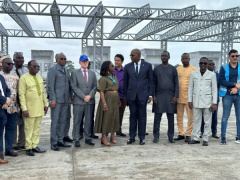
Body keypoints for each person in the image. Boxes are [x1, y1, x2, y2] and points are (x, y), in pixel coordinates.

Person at [19, 60, 48, 156]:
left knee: (36, 128)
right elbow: (21, 94)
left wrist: (45, 104)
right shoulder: (24, 78)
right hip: (29, 109)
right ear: (29, 67)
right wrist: (24, 109)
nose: (37, 68)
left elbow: (43, 92)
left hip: (39, 108)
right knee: (29, 129)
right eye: (35, 66)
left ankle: (35, 145)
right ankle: (28, 147)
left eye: (38, 66)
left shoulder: (39, 77)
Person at [124, 49, 153, 145]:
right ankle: (132, 137)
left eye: (132, 55)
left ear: (138, 56)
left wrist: (150, 94)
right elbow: (125, 83)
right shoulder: (127, 66)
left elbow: (150, 81)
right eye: (130, 55)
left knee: (142, 116)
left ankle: (142, 137)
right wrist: (126, 96)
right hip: (131, 96)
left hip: (143, 95)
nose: (131, 57)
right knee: (132, 116)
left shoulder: (148, 66)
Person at [188, 57, 217, 146]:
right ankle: (196, 138)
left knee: (207, 121)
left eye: (205, 63)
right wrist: (189, 100)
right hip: (196, 101)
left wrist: (214, 102)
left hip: (207, 102)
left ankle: (205, 139)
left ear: (207, 64)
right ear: (199, 64)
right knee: (196, 120)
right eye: (202, 63)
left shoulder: (212, 75)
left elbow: (214, 89)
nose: (203, 65)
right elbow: (190, 87)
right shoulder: (193, 74)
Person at [71, 55, 97, 147]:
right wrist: (83, 96)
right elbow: (74, 86)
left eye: (86, 61)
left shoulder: (92, 74)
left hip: (89, 101)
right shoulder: (75, 73)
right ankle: (76, 138)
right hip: (79, 101)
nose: (85, 62)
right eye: (83, 61)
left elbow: (95, 86)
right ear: (79, 62)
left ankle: (88, 137)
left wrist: (90, 96)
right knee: (77, 120)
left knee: (88, 120)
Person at [47, 53, 72, 151]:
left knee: (63, 121)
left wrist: (70, 96)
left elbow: (69, 85)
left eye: (65, 59)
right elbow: (50, 86)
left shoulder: (66, 70)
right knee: (55, 122)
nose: (64, 61)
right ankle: (54, 142)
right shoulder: (53, 70)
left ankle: (60, 140)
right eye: (61, 59)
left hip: (65, 100)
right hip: (56, 101)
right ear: (56, 59)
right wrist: (52, 99)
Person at [152, 51, 179, 143]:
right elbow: (153, 83)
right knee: (157, 118)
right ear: (161, 57)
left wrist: (175, 96)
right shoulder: (156, 69)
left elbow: (176, 83)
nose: (164, 57)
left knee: (170, 118)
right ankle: (156, 136)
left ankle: (171, 136)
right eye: (162, 56)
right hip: (159, 96)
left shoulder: (173, 69)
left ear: (169, 57)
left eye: (165, 56)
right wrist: (154, 95)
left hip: (170, 96)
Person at [95, 61, 120, 146]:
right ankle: (104, 137)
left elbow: (116, 89)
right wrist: (104, 103)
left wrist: (119, 100)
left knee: (115, 117)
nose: (114, 67)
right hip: (107, 98)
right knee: (107, 118)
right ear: (107, 68)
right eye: (112, 66)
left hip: (115, 98)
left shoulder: (114, 76)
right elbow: (101, 91)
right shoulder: (103, 78)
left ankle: (113, 135)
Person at [219, 49, 240, 144]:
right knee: (225, 117)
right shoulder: (224, 67)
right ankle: (223, 137)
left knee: (239, 117)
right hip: (227, 95)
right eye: (233, 56)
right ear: (229, 57)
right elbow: (221, 81)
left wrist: (237, 89)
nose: (235, 57)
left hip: (238, 95)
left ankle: (238, 137)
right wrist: (234, 85)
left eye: (237, 56)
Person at [0, 55, 19, 158]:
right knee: (0, 130)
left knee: (11, 128)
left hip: (13, 107)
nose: (11, 65)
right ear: (2, 64)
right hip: (2, 107)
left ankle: (9, 149)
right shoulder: (0, 75)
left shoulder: (15, 76)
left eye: (12, 64)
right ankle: (0, 152)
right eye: (8, 63)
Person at [174, 53, 196, 142]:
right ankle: (181, 133)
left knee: (190, 117)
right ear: (181, 60)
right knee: (179, 116)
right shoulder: (178, 69)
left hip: (189, 98)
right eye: (183, 58)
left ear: (189, 59)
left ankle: (188, 134)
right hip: (179, 97)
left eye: (186, 58)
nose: (185, 60)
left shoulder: (194, 70)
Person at [12, 52, 28, 151]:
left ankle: (21, 143)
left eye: (22, 58)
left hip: (24, 100)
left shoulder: (26, 70)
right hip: (13, 101)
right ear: (14, 60)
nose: (20, 60)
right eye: (18, 58)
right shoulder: (10, 70)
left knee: (23, 122)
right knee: (13, 123)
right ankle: (13, 144)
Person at [200, 60, 220, 139]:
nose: (211, 66)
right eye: (209, 64)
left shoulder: (217, 75)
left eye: (213, 64)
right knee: (203, 116)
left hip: (214, 99)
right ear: (207, 65)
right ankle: (202, 131)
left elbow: (218, 85)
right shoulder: (203, 75)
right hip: (204, 98)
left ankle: (214, 132)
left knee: (214, 116)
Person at [0, 67, 11, 164]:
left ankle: (0, 155)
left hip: (2, 109)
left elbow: (6, 89)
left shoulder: (1, 77)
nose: (0, 64)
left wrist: (7, 99)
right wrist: (4, 101)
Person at [114, 54, 127, 137]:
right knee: (111, 113)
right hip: (113, 96)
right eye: (115, 60)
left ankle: (118, 130)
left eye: (118, 60)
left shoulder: (125, 71)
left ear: (122, 61)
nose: (116, 62)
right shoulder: (112, 70)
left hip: (123, 96)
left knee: (120, 114)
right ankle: (109, 130)